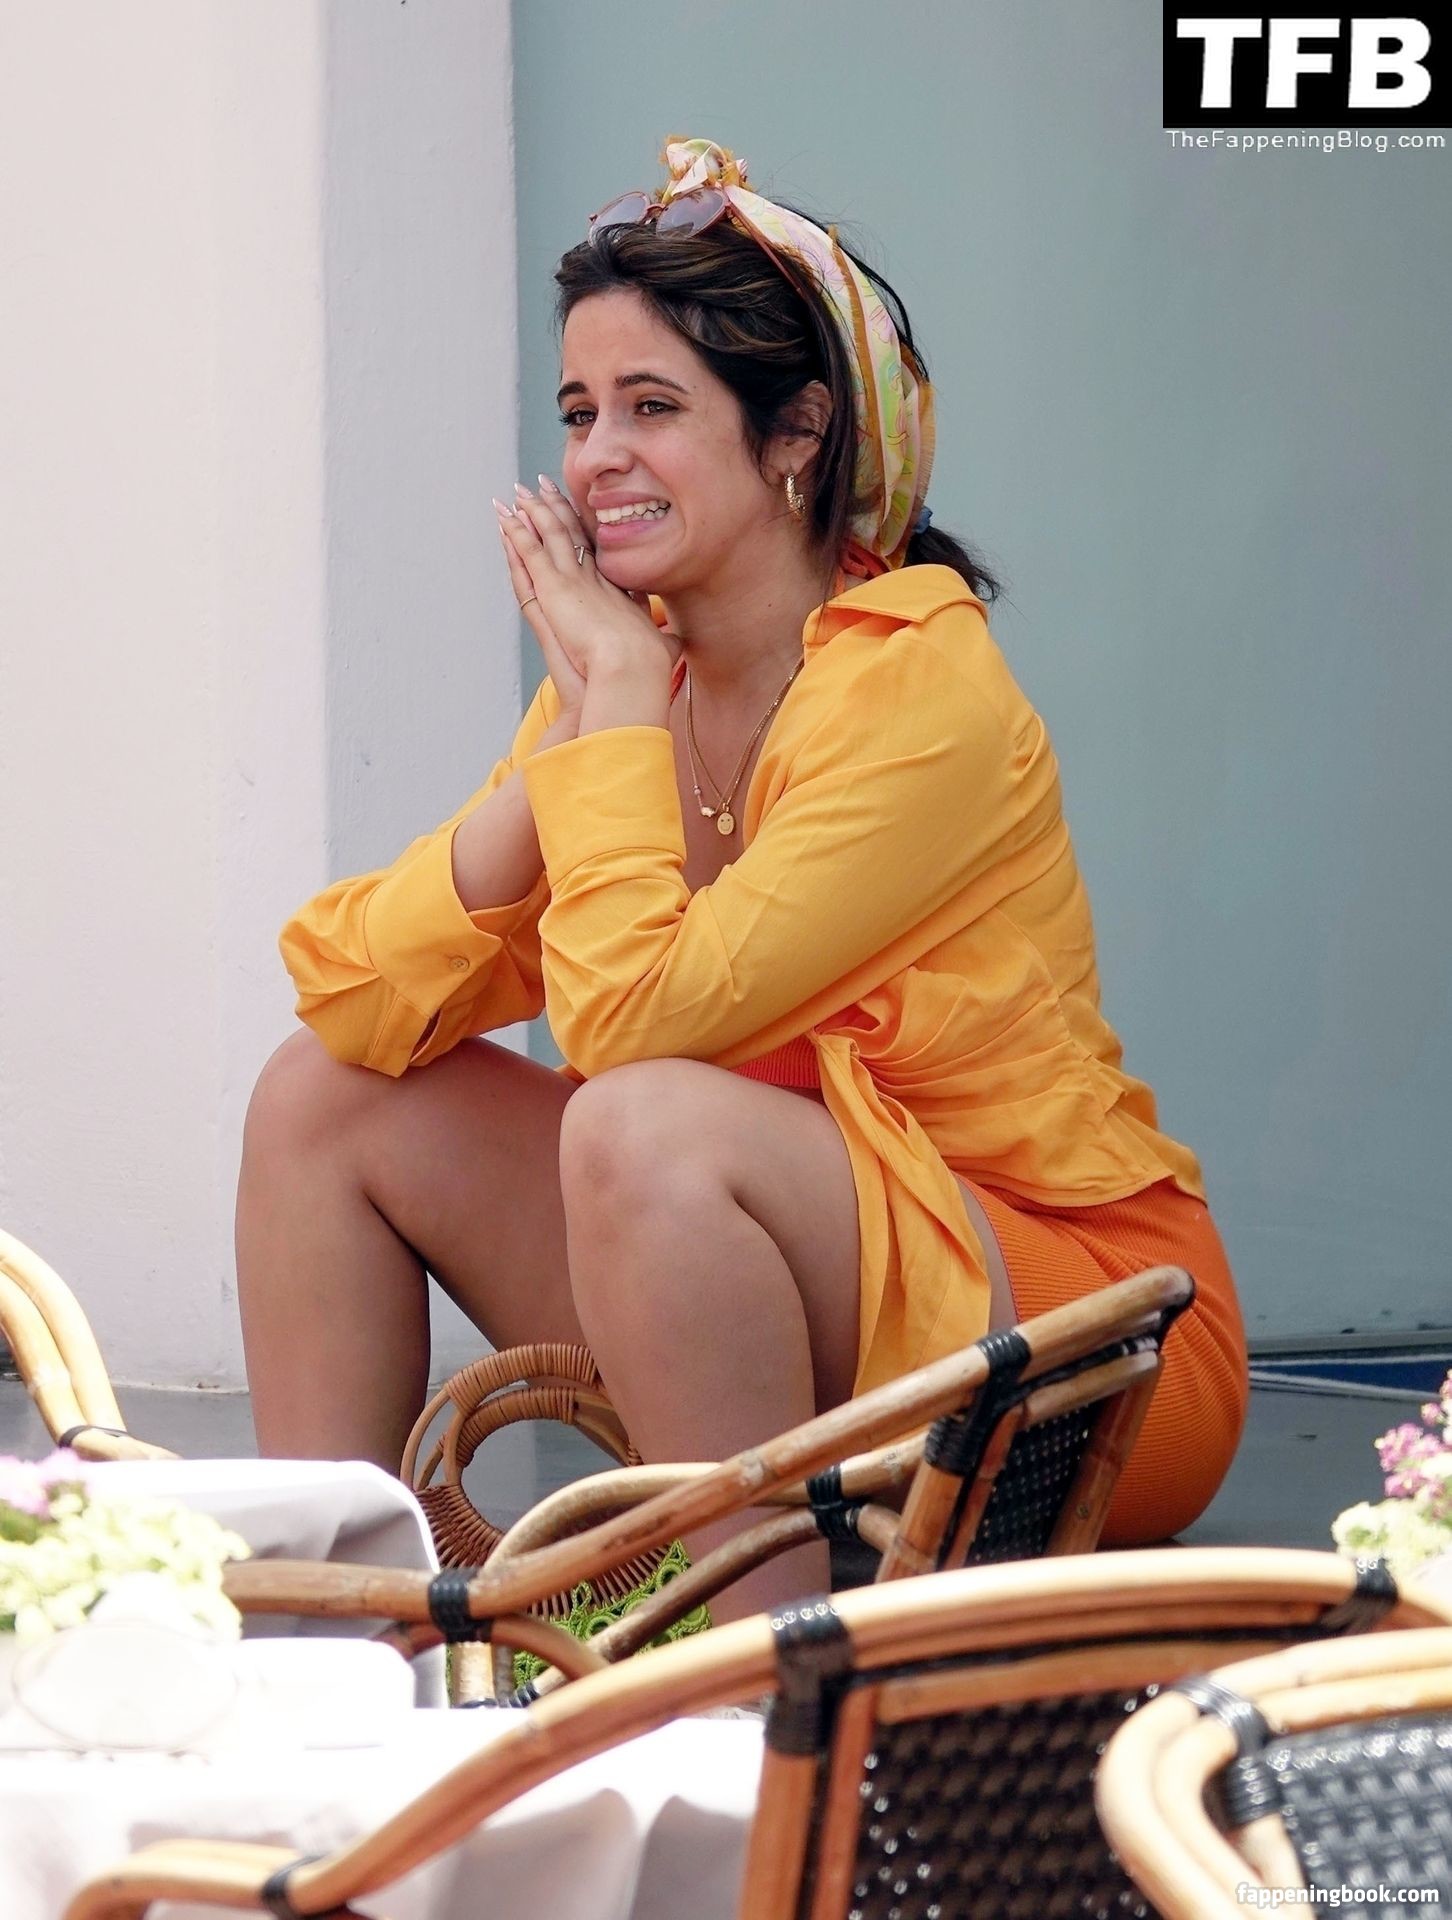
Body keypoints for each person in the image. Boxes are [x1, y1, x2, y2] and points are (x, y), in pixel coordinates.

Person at [237, 136, 1248, 1620]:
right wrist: (566, 753)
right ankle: (336, 1646)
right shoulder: (631, 676)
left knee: (641, 1121)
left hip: (1085, 1348)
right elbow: (352, 993)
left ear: (796, 436)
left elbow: (631, 1028)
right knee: (323, 1101)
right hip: (757, 1280)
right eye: (579, 411)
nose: (596, 455)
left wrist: (611, 716)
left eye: (653, 407)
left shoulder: (918, 687)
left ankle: (749, 1662)